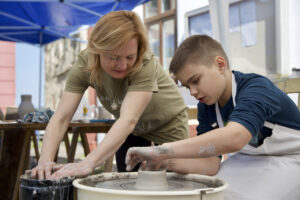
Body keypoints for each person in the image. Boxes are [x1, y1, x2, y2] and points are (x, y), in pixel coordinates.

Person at [125, 35, 300, 200]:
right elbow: (210, 164)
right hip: (248, 159)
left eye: (195, 81)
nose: (193, 92)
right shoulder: (207, 105)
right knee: (205, 194)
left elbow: (235, 137)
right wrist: (165, 161)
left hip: (292, 159)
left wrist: (164, 149)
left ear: (220, 65)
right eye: (187, 86)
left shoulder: (256, 89)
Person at [30, 10, 189, 180]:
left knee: (175, 183)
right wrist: (45, 161)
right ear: (97, 50)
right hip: (132, 130)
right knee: (128, 183)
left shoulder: (145, 61)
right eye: (114, 57)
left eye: (130, 57)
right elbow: (61, 117)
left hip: (166, 123)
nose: (122, 65)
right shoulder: (85, 64)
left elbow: (129, 119)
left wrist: (88, 163)